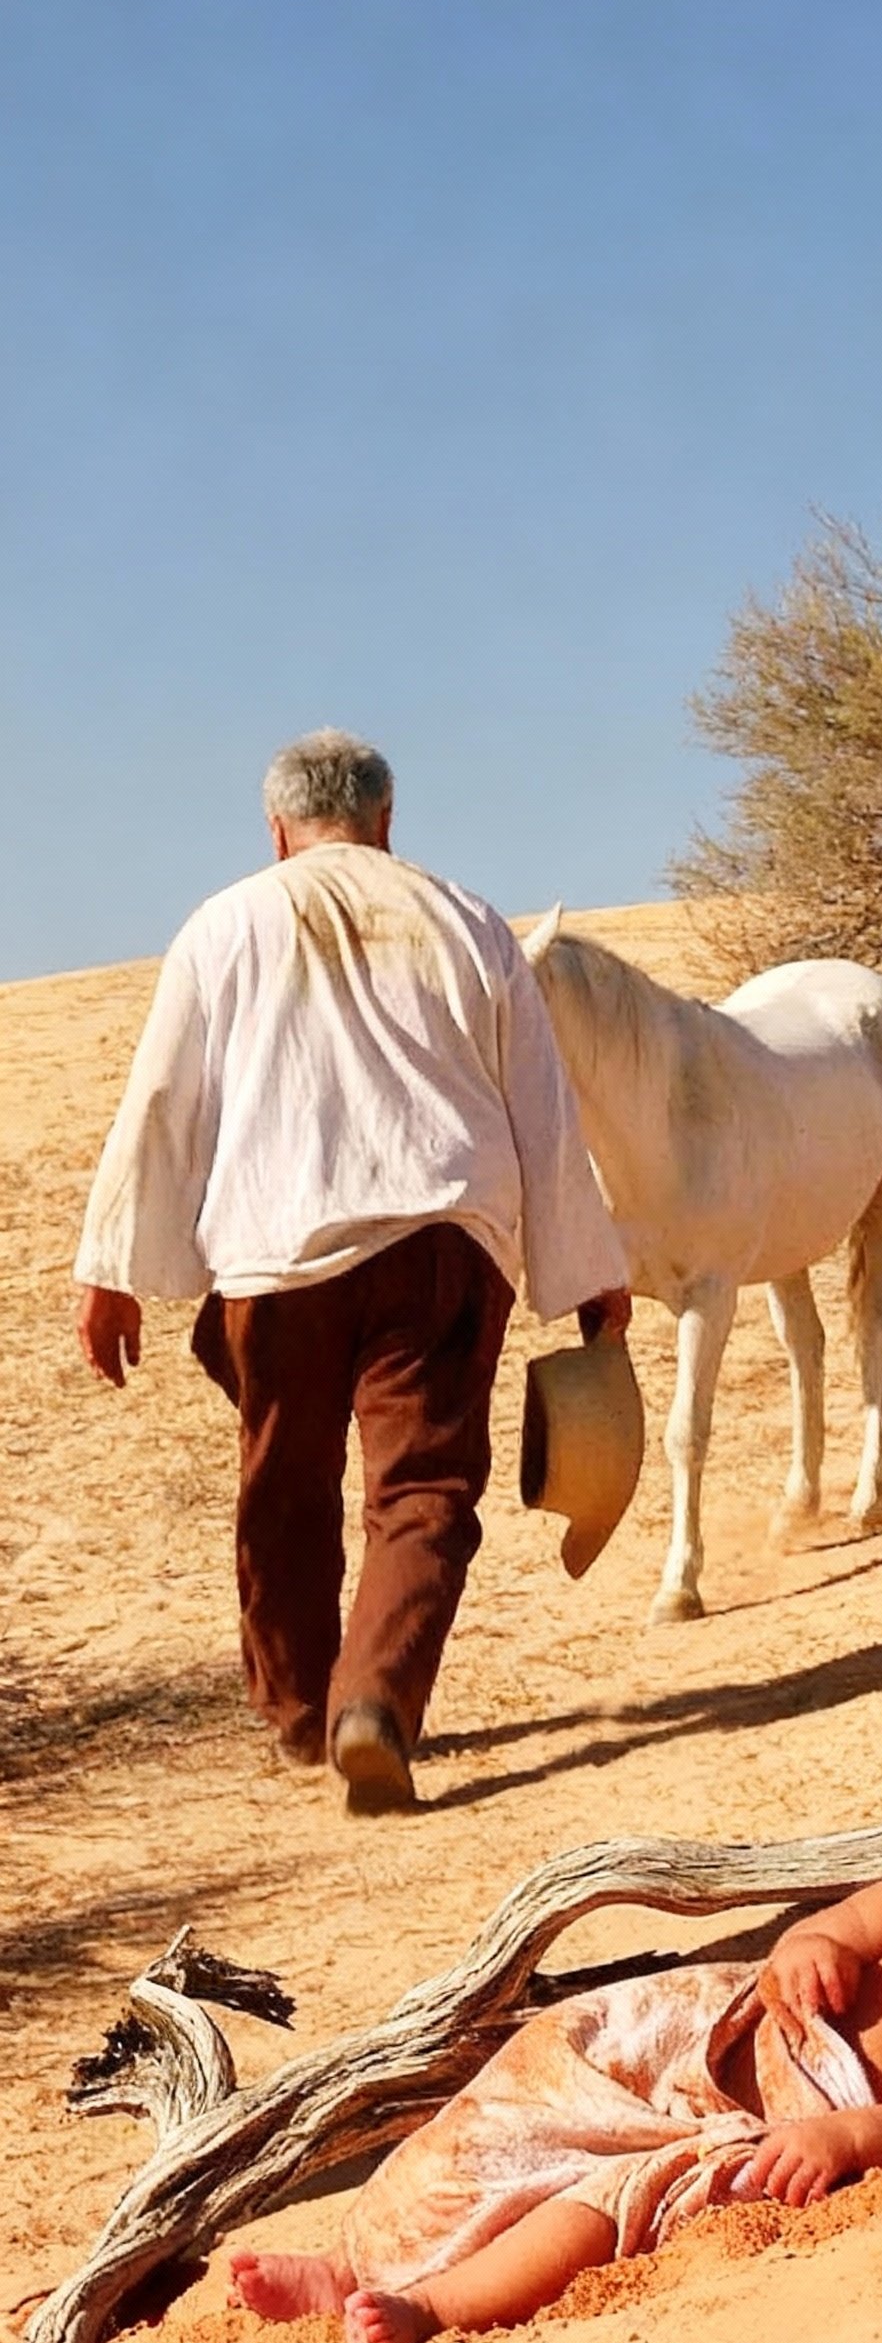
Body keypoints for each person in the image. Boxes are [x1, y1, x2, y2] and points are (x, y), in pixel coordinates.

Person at [74, 730, 632, 1811]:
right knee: (422, 1490)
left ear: (277, 829)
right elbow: (542, 1109)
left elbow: (160, 1102)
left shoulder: (222, 925)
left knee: (282, 1482)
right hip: (441, 1244)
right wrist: (588, 1266)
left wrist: (111, 1269)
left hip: (275, 1255)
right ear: (386, 821)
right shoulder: (467, 920)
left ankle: (296, 1712)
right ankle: (372, 1701)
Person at [227, 1791, 882, 2343]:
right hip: (702, 2035)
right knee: (528, 2085)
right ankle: (351, 2257)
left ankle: (436, 2307)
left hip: (764, 2137)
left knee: (600, 2206)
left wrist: (847, 2142)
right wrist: (814, 1948)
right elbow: (821, 1936)